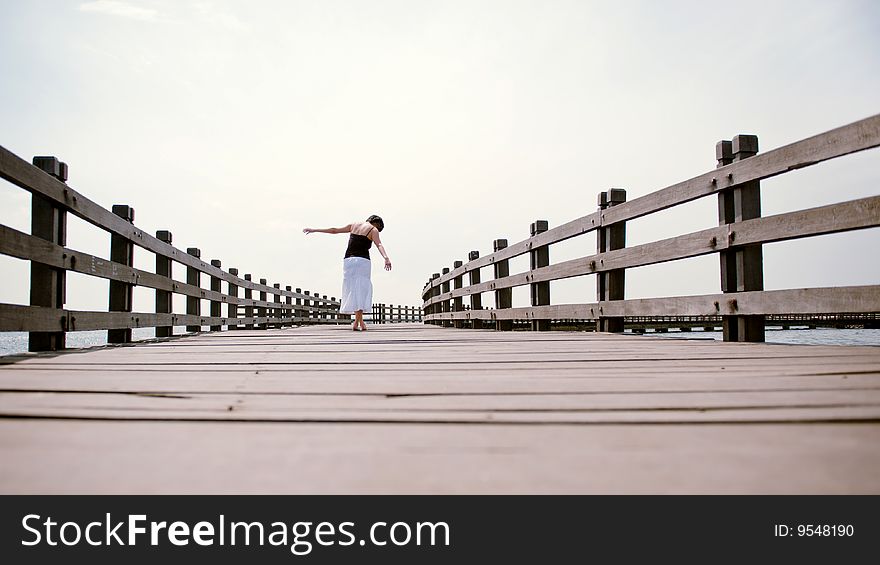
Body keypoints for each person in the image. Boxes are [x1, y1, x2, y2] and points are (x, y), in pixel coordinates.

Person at [302, 215, 392, 331]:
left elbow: (334, 230)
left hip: (348, 261)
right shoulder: (373, 230)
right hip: (362, 261)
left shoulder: (354, 225)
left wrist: (314, 230)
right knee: (361, 290)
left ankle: (358, 322)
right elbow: (379, 244)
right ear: (377, 224)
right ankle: (358, 322)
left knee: (353, 289)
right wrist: (386, 258)